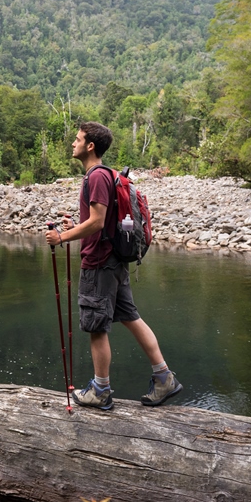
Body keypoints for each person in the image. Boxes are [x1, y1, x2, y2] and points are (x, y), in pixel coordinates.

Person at [45, 122, 182, 410]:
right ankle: (164, 377)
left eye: (78, 139)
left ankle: (101, 389)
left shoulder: (95, 177)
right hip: (115, 260)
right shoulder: (107, 174)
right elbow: (99, 221)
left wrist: (61, 237)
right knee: (131, 317)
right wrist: (75, 226)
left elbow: (96, 222)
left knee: (97, 327)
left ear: (90, 145)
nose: (73, 143)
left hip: (99, 261)